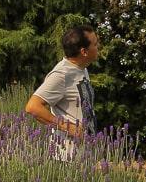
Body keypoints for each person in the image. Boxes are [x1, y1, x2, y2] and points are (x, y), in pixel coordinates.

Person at [24, 26, 99, 159]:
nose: (98, 46)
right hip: (65, 158)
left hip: (84, 155)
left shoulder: (82, 69)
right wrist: (68, 127)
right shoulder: (61, 74)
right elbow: (32, 107)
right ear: (84, 51)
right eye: (95, 44)